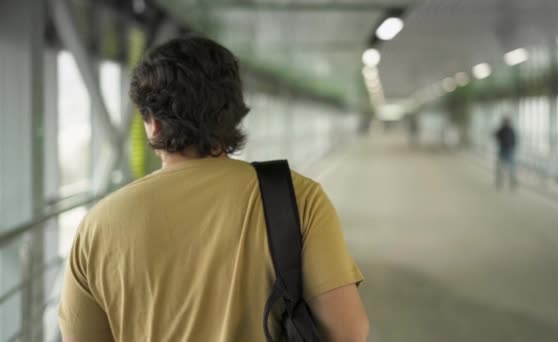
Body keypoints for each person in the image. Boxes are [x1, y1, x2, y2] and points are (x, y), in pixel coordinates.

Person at [58, 36, 369, 342]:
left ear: (153, 124)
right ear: (233, 113)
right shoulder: (297, 197)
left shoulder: (99, 224)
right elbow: (349, 332)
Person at [494, 116, 518, 190]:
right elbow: (515, 140)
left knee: (501, 166)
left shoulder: (502, 130)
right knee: (510, 167)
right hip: (508, 150)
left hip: (504, 150)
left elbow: (496, 136)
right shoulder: (511, 130)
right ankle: (511, 181)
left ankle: (501, 181)